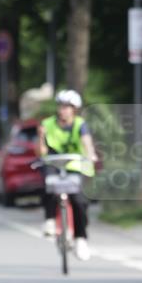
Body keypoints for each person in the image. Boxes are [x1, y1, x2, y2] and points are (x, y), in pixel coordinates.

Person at [38, 89, 97, 260]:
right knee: (48, 183)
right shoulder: (47, 124)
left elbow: (87, 143)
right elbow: (41, 152)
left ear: (74, 109)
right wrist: (41, 137)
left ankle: (81, 238)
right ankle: (49, 220)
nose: (63, 110)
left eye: (67, 107)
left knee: (79, 200)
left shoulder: (80, 124)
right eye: (61, 106)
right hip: (54, 163)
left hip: (75, 164)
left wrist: (91, 155)